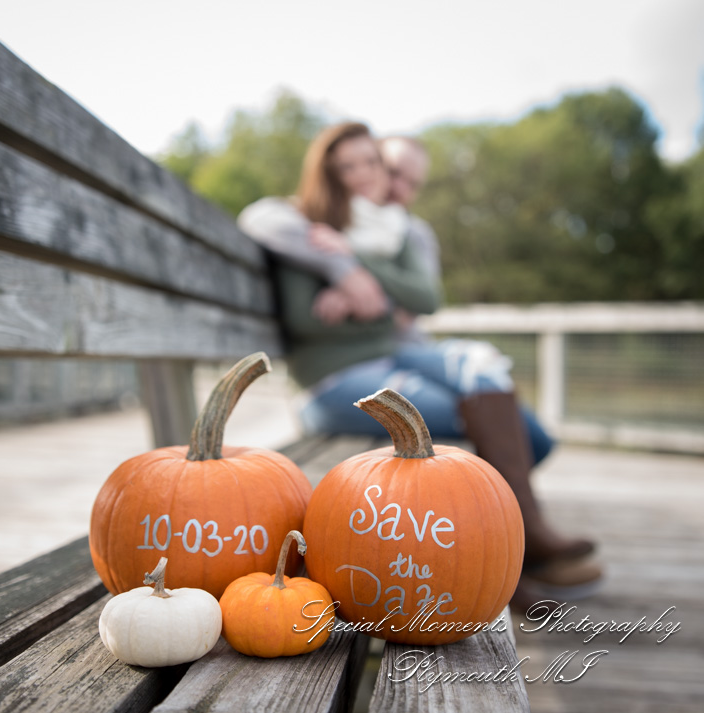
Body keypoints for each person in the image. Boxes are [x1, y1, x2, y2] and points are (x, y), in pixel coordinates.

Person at [238, 122, 601, 606]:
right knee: (459, 420)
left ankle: (516, 547)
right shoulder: (309, 229)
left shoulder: (394, 232)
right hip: (334, 379)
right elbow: (308, 315)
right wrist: (352, 282)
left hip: (387, 360)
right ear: (327, 172)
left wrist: (362, 284)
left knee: (503, 409)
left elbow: (423, 298)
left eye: (371, 163)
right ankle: (504, 567)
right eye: (352, 166)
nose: (368, 176)